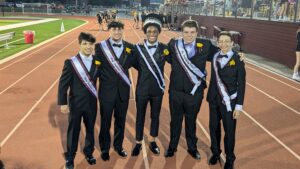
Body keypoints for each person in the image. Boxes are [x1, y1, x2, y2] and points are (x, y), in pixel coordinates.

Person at [164, 19, 219, 160]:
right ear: (182, 33)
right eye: (186, 32)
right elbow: (166, 58)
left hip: (195, 93)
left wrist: (238, 56)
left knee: (191, 121)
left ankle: (192, 148)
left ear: (197, 33)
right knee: (175, 121)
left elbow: (221, 54)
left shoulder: (206, 45)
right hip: (176, 91)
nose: (189, 35)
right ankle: (172, 146)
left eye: (192, 32)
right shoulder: (173, 44)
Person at [95, 21, 134, 161]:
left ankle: (118, 146)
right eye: (114, 29)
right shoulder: (100, 47)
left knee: (121, 121)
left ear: (122, 31)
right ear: (109, 31)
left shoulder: (130, 47)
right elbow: (95, 70)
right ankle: (104, 148)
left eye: (119, 29)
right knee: (105, 122)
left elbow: (140, 65)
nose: (117, 32)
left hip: (123, 92)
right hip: (106, 92)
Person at [58, 32, 98, 169]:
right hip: (76, 104)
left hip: (92, 104)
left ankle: (89, 153)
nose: (88, 47)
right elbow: (63, 84)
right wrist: (63, 102)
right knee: (73, 131)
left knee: (90, 130)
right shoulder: (70, 63)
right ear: (79, 45)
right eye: (85, 44)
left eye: (90, 44)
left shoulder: (98, 61)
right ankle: (70, 158)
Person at [130, 14, 169, 156]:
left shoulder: (165, 49)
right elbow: (132, 64)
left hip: (157, 90)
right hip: (141, 90)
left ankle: (152, 140)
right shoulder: (138, 49)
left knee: (155, 116)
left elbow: (179, 59)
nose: (152, 34)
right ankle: (138, 142)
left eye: (155, 31)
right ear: (145, 33)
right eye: (149, 31)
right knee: (140, 116)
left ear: (159, 32)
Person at [207, 31, 246, 169]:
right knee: (213, 128)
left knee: (229, 131)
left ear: (232, 43)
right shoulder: (214, 55)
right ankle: (216, 153)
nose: (223, 44)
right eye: (221, 41)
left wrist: (239, 106)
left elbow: (241, 84)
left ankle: (230, 158)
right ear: (217, 43)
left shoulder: (238, 59)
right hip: (213, 99)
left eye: (226, 41)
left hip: (230, 102)